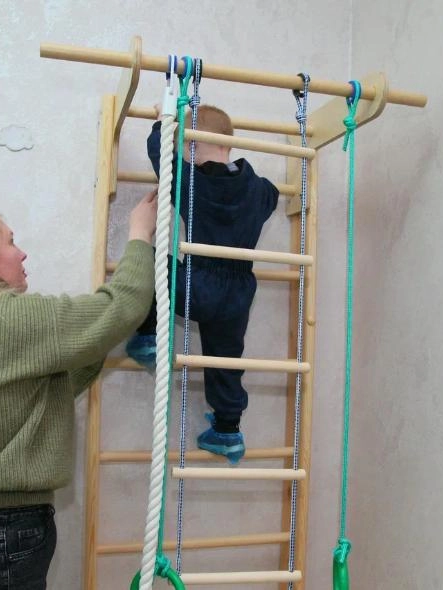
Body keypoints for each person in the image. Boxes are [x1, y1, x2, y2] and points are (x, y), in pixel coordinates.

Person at [0, 193, 156, 590]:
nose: (21, 254)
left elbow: (30, 398)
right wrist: (140, 233)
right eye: (10, 242)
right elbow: (121, 306)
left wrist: (96, 338)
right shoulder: (5, 317)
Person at [126, 105, 279, 464]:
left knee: (150, 259)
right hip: (239, 294)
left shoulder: (192, 182)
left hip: (200, 283)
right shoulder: (260, 190)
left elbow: (159, 154)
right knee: (225, 361)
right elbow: (272, 195)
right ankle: (227, 431)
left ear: (191, 146)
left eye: (184, 148)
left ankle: (148, 338)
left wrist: (162, 123)